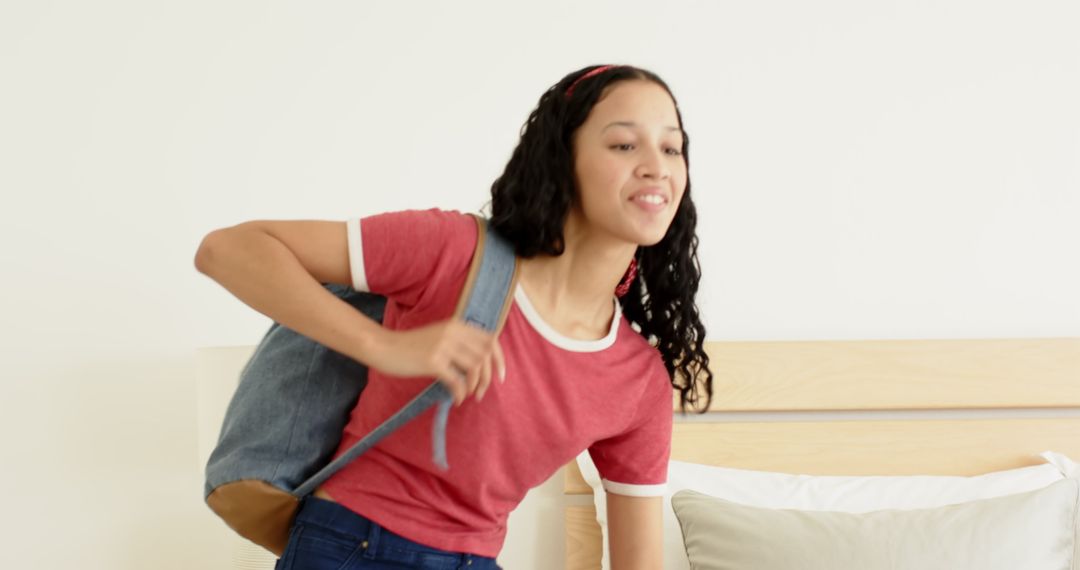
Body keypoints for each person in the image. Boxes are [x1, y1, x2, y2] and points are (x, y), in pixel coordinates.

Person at [194, 63, 713, 570]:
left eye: (672, 147)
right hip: (353, 545)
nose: (657, 166)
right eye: (625, 144)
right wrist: (385, 347)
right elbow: (228, 249)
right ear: (563, 159)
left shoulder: (637, 380)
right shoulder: (455, 252)